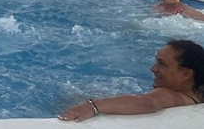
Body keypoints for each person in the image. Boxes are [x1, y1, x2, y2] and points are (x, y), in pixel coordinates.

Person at [58, 40, 204, 122]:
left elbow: (148, 103)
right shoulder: (198, 90)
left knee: (68, 98)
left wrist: (92, 105)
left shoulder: (173, 95)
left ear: (186, 74)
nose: (153, 69)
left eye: (162, 64)